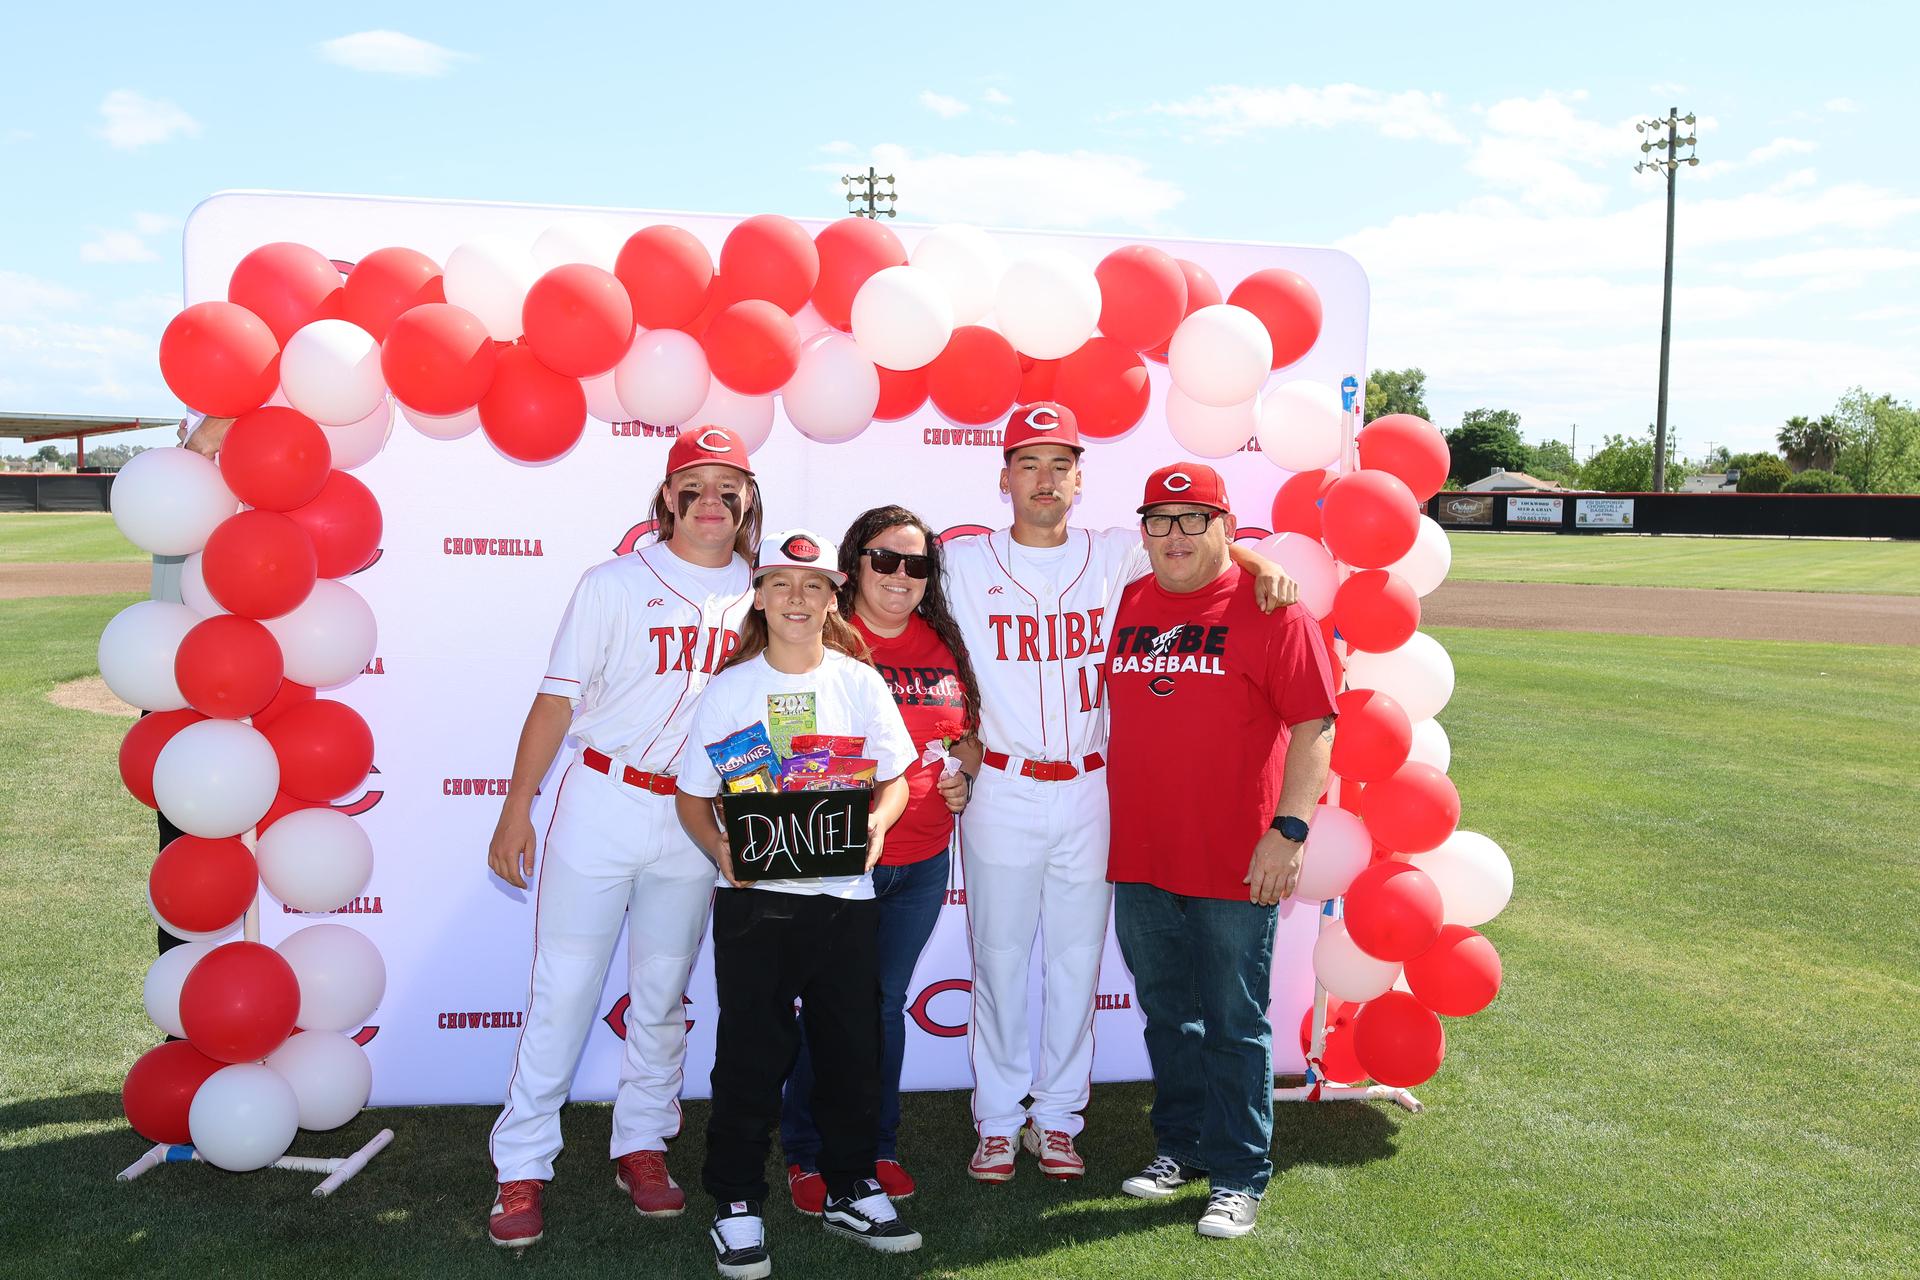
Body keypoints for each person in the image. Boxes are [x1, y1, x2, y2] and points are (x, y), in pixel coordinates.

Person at [943, 402, 1297, 1182]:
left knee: (1076, 961)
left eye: (1060, 465)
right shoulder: (961, 563)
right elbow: (875, 579)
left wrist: (1262, 563)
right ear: (1003, 479)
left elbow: (1206, 554)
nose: (1045, 479)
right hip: (1000, 786)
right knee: (999, 960)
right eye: (1029, 464)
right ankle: (999, 1121)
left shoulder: (1117, 555)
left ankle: (1060, 1118)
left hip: (1093, 790)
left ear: (1080, 479)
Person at [483, 426, 762, 1249]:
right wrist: (515, 805)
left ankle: (641, 1143)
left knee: (664, 995)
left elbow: (761, 720)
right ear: (667, 496)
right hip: (604, 797)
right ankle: (522, 1163)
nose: (711, 501)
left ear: (748, 498)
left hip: (694, 816)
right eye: (693, 485)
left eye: (728, 486)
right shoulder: (612, 582)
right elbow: (556, 701)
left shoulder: (766, 591)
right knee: (564, 991)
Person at [676, 527, 923, 1278]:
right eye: (782, 583)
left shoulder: (858, 680)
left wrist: (878, 823)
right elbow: (693, 800)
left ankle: (851, 1185)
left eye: (812, 585)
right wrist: (722, 850)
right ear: (758, 595)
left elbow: (896, 777)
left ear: (832, 596)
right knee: (752, 1055)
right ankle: (737, 1202)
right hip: (757, 904)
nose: (796, 598)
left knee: (852, 1050)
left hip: (845, 898)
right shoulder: (729, 687)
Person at [1103, 462, 1337, 1239]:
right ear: (1143, 531)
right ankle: (1181, 1147)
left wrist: (1291, 830)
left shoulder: (1274, 611)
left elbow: (1315, 726)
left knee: (1234, 1020)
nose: (1175, 535)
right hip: (1139, 852)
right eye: (1160, 520)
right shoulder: (1128, 598)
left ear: (1226, 528)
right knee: (1170, 1014)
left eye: (1193, 518)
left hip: (1239, 856)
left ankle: (1240, 1173)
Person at [780, 506, 982, 1214]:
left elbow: (966, 736)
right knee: (835, 1009)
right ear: (854, 562)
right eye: (885, 559)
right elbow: (786, 737)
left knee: (882, 1006)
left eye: (917, 564)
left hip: (924, 859)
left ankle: (874, 1146)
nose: (901, 576)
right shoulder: (824, 639)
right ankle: (805, 1152)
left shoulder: (942, 643)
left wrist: (964, 771)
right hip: (841, 860)